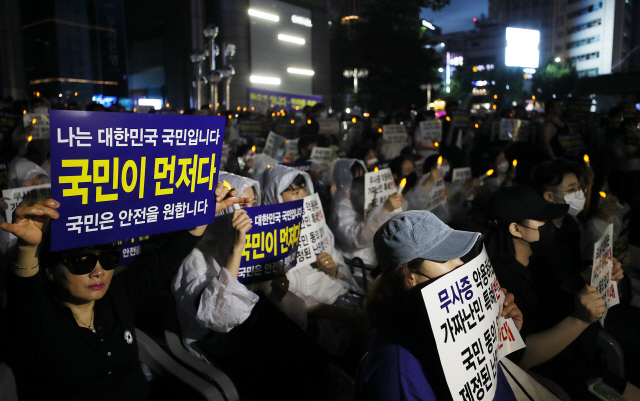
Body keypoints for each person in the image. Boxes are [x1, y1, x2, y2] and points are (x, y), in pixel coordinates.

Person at [0, 183, 246, 401]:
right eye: (82, 261)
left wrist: (202, 213)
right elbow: (23, 292)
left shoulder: (118, 295)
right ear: (50, 270)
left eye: (108, 259)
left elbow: (166, 259)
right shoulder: (35, 320)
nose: (98, 272)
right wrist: (27, 247)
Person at [485, 185, 640, 400]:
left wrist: (596, 274)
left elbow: (558, 291)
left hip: (582, 363)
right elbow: (521, 357)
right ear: (516, 229)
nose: (549, 225)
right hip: (555, 382)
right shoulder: (500, 284)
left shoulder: (538, 260)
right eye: (542, 220)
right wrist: (579, 320)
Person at [362, 210, 523, 400]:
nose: (461, 264)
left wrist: (498, 335)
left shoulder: (451, 320)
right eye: (446, 257)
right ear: (409, 278)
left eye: (459, 254)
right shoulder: (396, 367)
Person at [328, 159, 403, 266]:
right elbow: (358, 238)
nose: (359, 183)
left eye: (363, 178)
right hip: (361, 266)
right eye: (355, 179)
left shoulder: (364, 199)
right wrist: (385, 210)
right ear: (342, 183)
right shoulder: (340, 210)